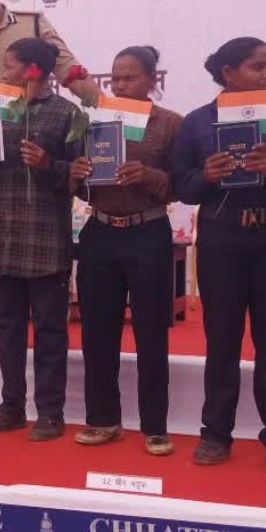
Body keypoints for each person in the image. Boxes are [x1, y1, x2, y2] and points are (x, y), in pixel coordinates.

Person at [171, 39, 266, 470]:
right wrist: (205, 177)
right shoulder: (197, 123)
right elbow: (182, 187)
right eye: (257, 67)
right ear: (228, 73)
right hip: (222, 241)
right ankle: (215, 433)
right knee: (222, 341)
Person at [0, 38, 78, 441]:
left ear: (33, 71)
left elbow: (80, 177)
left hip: (46, 241)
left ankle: (50, 412)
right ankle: (12, 406)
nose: (2, 73)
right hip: (1, 236)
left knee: (50, 331)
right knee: (7, 329)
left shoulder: (67, 113)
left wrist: (49, 165)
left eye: (9, 66)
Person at [70, 46, 182, 456]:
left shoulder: (170, 124)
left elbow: (184, 184)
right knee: (97, 332)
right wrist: (76, 175)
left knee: (151, 333)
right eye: (115, 78)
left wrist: (149, 176)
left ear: (152, 79)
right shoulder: (93, 121)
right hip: (100, 232)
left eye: (130, 78)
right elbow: (78, 185)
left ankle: (155, 426)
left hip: (148, 232)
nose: (120, 85)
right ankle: (103, 419)